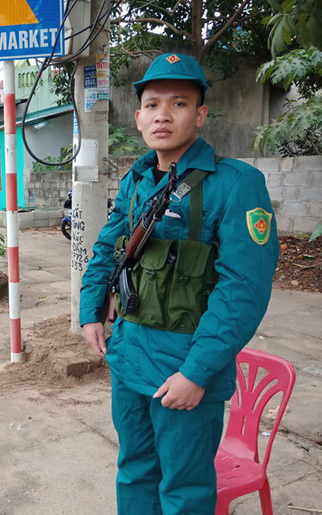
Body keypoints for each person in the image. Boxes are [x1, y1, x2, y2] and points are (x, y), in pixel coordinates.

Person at [79, 53, 279, 515]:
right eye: (152, 104)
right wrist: (90, 309)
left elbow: (241, 292)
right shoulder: (137, 178)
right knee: (134, 472)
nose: (162, 115)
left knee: (184, 490)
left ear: (201, 114)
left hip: (184, 368)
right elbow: (109, 246)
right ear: (138, 116)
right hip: (129, 358)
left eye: (179, 103)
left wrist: (196, 373)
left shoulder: (237, 184)